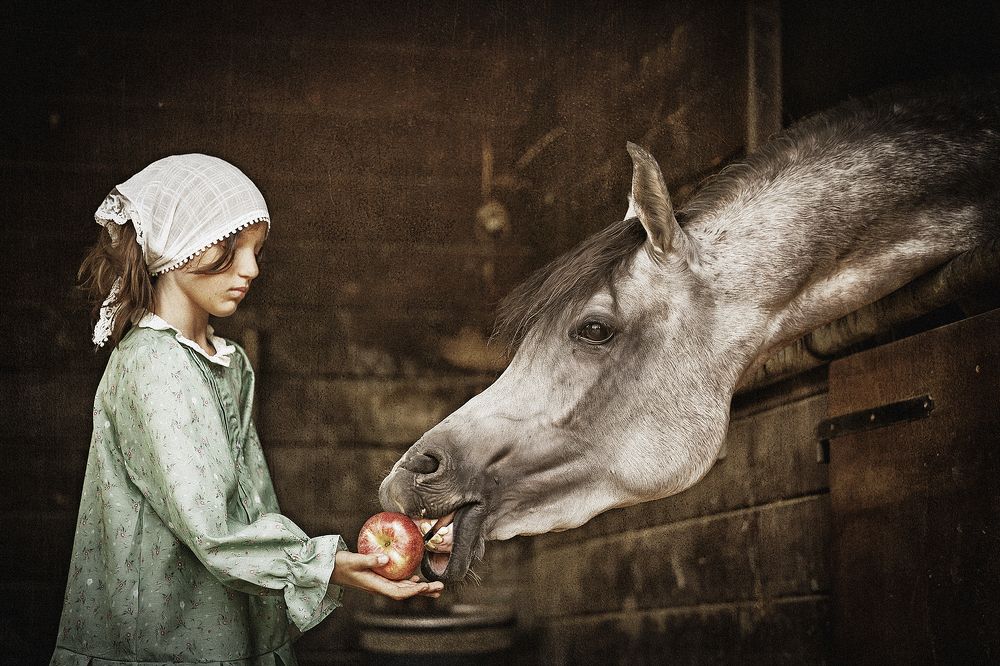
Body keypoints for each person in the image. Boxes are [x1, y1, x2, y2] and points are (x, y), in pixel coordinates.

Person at [51, 154, 444, 665]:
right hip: (162, 641)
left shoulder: (225, 360)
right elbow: (213, 528)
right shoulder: (154, 367)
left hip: (232, 627)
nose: (251, 268)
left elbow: (247, 504)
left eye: (256, 250)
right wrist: (325, 565)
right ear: (178, 243)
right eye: (231, 247)